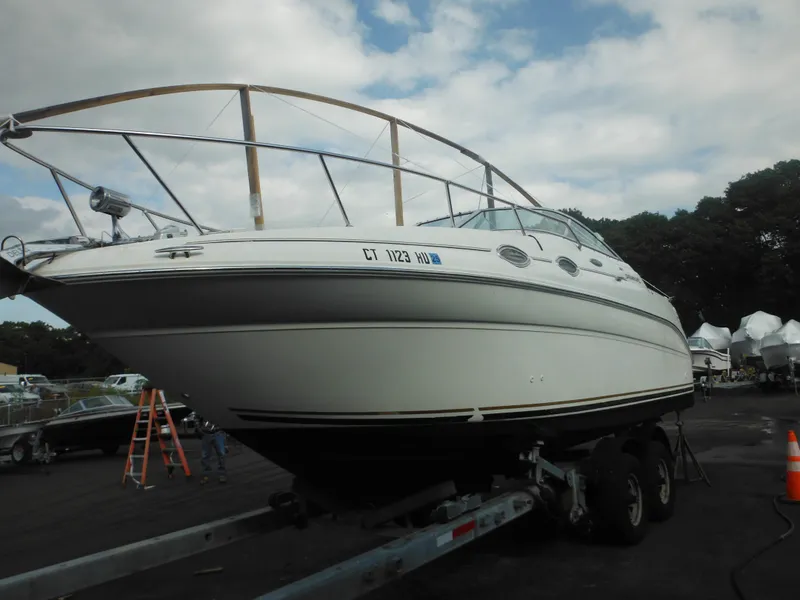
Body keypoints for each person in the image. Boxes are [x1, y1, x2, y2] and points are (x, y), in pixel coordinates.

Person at [197, 416, 227, 484]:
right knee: (205, 455)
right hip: (206, 433)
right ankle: (205, 475)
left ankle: (222, 474)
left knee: (221, 454)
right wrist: (199, 429)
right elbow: (197, 417)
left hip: (218, 432)